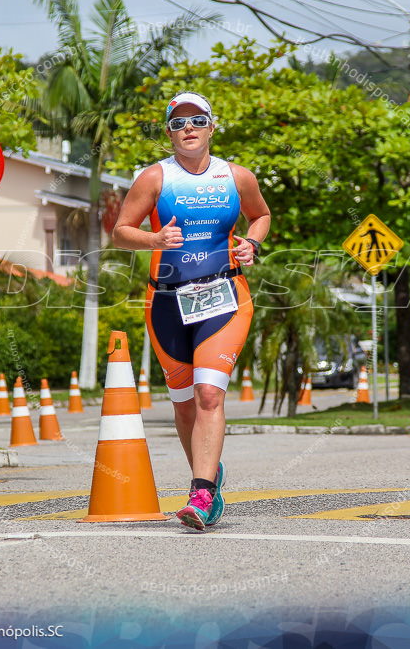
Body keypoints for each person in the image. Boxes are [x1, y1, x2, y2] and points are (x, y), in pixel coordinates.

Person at [112, 92, 271, 531]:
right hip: (165, 302)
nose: (189, 129)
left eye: (197, 120)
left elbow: (261, 216)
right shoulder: (154, 178)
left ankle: (200, 494)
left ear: (211, 127)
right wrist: (153, 241)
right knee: (183, 407)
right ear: (169, 131)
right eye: (179, 123)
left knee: (208, 395)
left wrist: (252, 244)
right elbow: (120, 232)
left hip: (225, 297)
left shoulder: (236, 177)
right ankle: (210, 475)